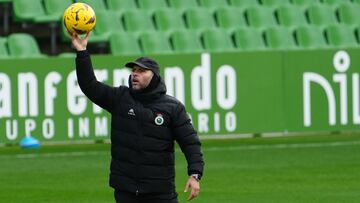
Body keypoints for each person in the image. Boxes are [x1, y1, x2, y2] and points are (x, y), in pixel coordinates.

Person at [70, 32, 204, 203]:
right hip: (126, 191)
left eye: (141, 71)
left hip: (160, 193)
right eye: (133, 70)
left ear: (154, 76)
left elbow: (190, 143)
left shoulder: (173, 107)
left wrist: (195, 174)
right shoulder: (120, 98)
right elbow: (89, 85)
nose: (135, 74)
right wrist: (82, 51)